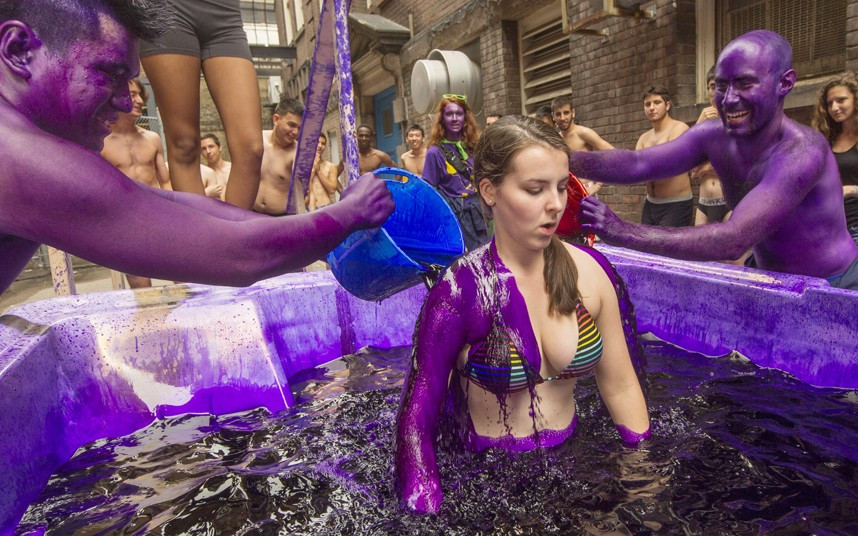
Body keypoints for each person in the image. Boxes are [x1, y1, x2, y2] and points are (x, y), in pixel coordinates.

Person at [0, 0, 394, 296]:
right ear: (18, 50)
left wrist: (325, 222)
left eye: (130, 82)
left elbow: (171, 205)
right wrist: (350, 214)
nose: (125, 103)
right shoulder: (18, 157)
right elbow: (243, 255)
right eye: (107, 75)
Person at [395, 116, 650, 515]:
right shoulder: (459, 292)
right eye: (535, 189)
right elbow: (416, 418)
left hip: (574, 460)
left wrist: (644, 480)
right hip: (485, 478)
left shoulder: (592, 273)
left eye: (562, 187)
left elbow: (620, 387)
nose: (555, 204)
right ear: (489, 191)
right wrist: (426, 510)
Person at [575, 30, 858, 290]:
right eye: (721, 86)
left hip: (835, 284)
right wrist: (560, 160)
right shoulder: (713, 135)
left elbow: (733, 240)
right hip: (769, 276)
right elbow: (637, 164)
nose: (729, 99)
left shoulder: (803, 151)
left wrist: (622, 231)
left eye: (745, 83)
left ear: (785, 83)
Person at [140, 0, 264, 210]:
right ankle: (204, 239)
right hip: (166, 9)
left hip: (225, 13)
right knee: (184, 145)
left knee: (251, 149)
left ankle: (230, 237)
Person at [101, 78, 172, 289]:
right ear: (114, 98)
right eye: (132, 95)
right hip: (126, 223)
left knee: (185, 283)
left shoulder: (152, 138)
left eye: (140, 95)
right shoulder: (101, 142)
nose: (140, 100)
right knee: (142, 290)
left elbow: (165, 182)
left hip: (159, 215)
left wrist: (175, 216)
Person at [422, 94, 489, 250]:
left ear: (465, 117)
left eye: (459, 113)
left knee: (488, 254)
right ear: (442, 119)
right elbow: (429, 192)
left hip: (481, 212)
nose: (454, 118)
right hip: (456, 216)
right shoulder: (434, 153)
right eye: (449, 114)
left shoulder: (475, 146)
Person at [636, 87, 693, 227]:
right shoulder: (644, 138)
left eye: (657, 102)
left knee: (666, 247)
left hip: (676, 204)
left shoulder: (679, 129)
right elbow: (635, 168)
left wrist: (644, 163)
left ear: (667, 105)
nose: (651, 108)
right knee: (645, 247)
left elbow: (668, 163)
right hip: (650, 203)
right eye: (647, 104)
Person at [812, 71, 858, 245]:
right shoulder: (826, 137)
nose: (834, 108)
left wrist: (852, 190)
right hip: (828, 225)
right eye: (830, 103)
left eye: (841, 100)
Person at [254, 97, 307, 216]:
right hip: (252, 215)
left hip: (282, 219)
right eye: (291, 125)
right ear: (276, 119)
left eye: (299, 128)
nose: (295, 132)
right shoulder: (257, 141)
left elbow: (301, 194)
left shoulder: (297, 153)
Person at [551, 95, 612, 196]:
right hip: (567, 193)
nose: (562, 118)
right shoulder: (557, 139)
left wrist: (597, 186)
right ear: (553, 116)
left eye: (566, 113)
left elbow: (613, 153)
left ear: (573, 113)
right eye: (558, 114)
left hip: (586, 190)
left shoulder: (583, 133)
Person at [692, 67, 730, 226]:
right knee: (697, 250)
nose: (716, 93)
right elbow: (690, 169)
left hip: (729, 203)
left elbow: (736, 165)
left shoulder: (735, 122)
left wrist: (705, 168)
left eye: (722, 87)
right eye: (713, 87)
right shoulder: (703, 123)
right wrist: (700, 123)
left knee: (730, 250)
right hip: (703, 203)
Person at [307, 134, 340, 210]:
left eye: (323, 143)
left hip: (325, 207)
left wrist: (318, 171)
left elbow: (332, 190)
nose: (320, 146)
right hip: (307, 209)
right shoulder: (303, 166)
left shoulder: (331, 166)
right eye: (317, 142)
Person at [200, 132, 230, 201]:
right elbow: (194, 201)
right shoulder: (203, 175)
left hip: (239, 210)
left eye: (211, 146)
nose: (208, 151)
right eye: (204, 149)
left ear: (220, 148)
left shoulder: (233, 169)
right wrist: (206, 193)